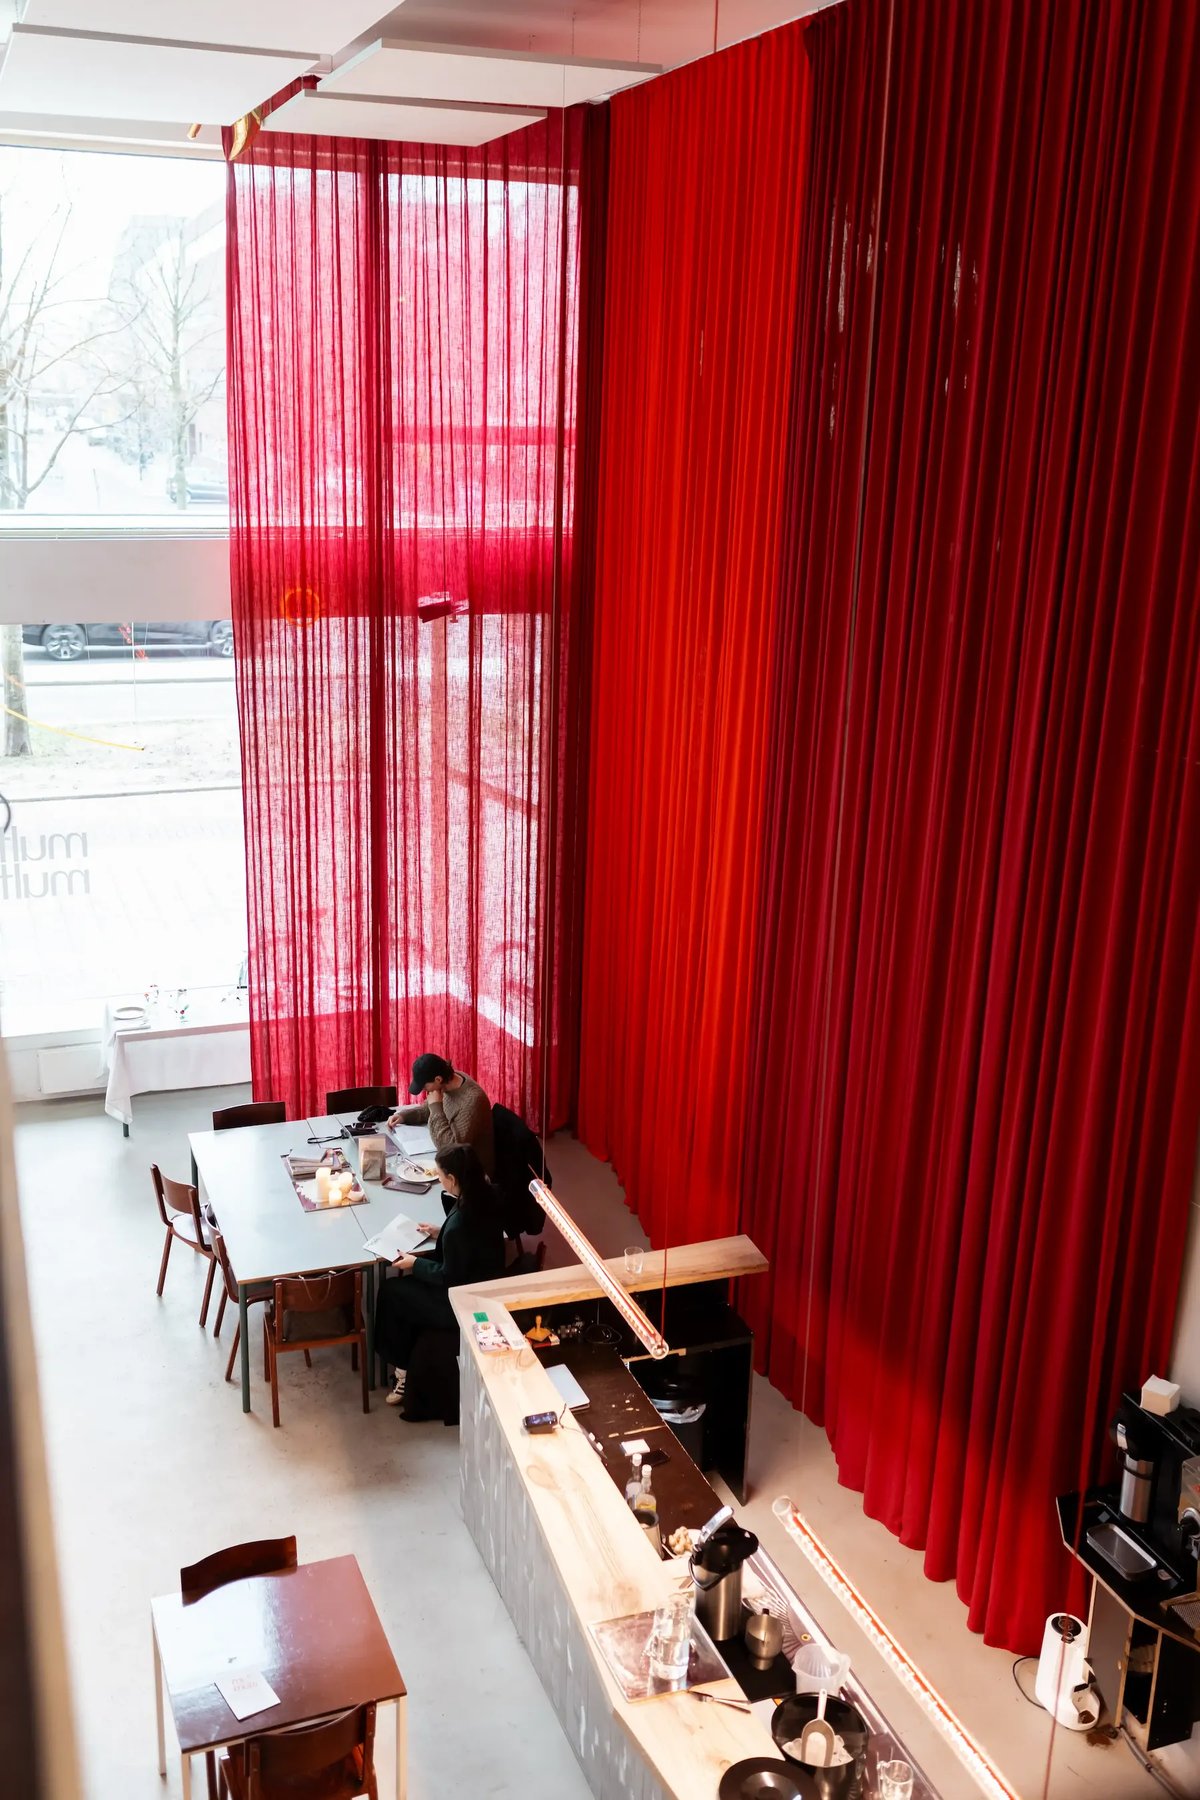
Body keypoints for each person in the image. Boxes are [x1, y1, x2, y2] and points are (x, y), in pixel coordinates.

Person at [375, 1143, 504, 1414]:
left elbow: (449, 1276)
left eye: (441, 1175)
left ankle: (402, 1369)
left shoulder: (459, 1223)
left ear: (453, 1179)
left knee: (391, 1292)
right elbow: (468, 1243)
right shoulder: (486, 1197)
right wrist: (439, 1232)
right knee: (400, 1290)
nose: (440, 1179)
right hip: (484, 1283)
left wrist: (416, 1263)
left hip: (460, 1302)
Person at [390, 1053, 495, 1175]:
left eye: (424, 1087)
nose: (424, 1091)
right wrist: (404, 1116)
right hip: (453, 1163)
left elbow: (451, 1149)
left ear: (438, 1079)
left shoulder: (472, 1100)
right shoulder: (448, 1081)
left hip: (472, 1173)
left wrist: (436, 1107)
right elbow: (428, 1109)